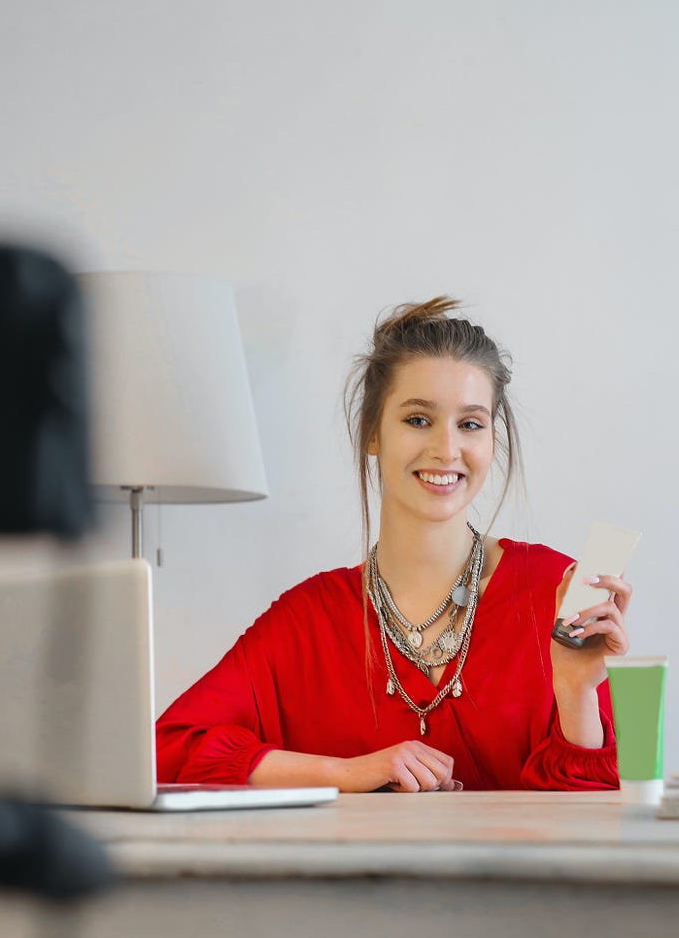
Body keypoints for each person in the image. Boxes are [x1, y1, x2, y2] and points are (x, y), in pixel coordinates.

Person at [155, 298, 629, 792]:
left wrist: (576, 692)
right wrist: (343, 772)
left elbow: (605, 815)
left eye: (470, 424)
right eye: (418, 419)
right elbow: (166, 751)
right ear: (373, 433)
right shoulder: (307, 621)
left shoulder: (555, 590)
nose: (447, 449)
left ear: (492, 439)